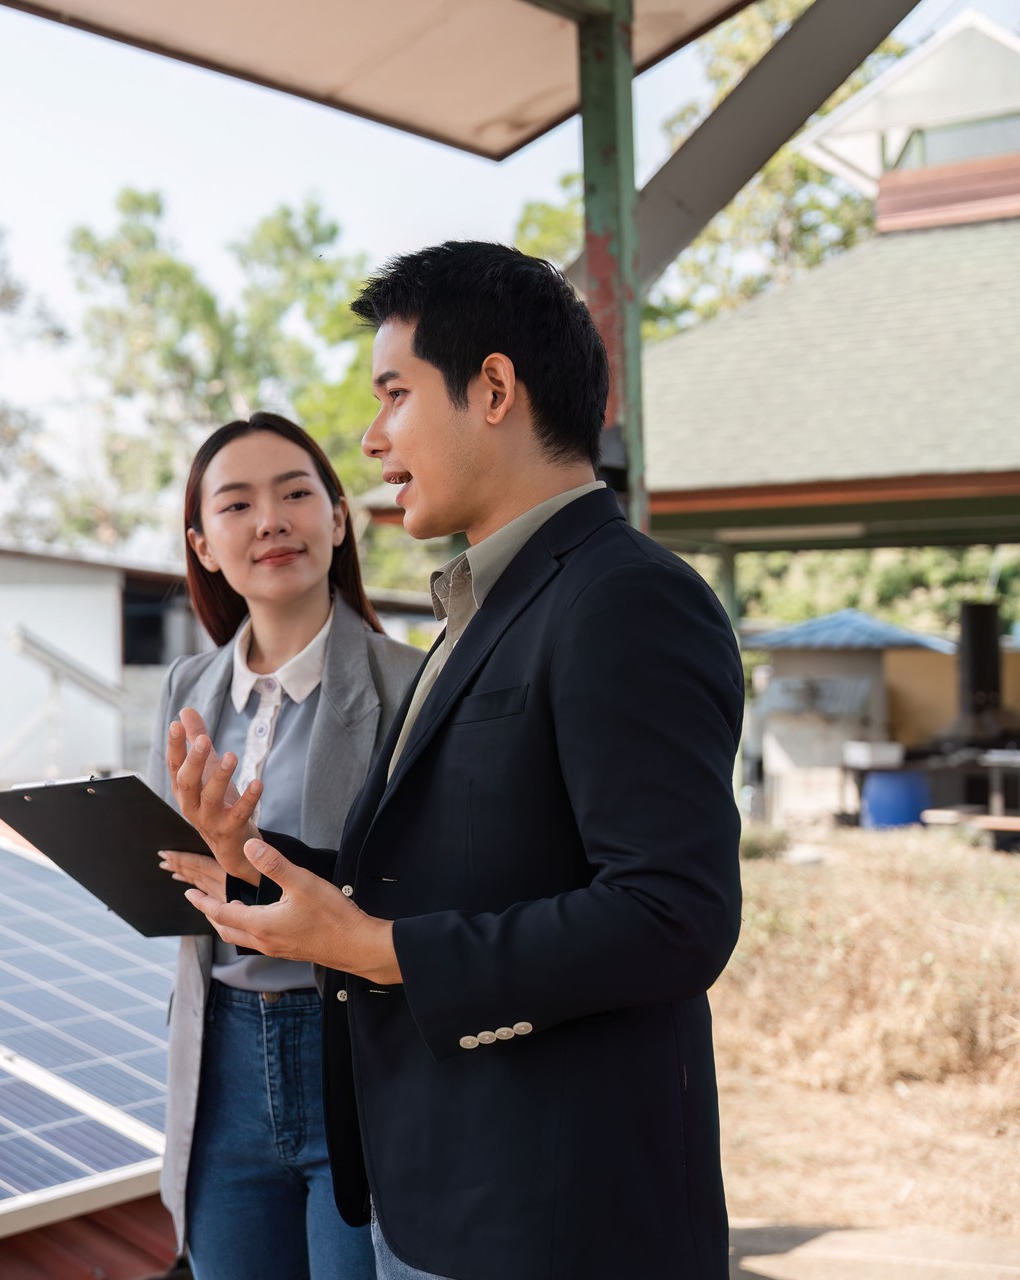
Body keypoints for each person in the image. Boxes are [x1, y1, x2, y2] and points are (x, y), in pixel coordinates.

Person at [168, 242, 744, 1279]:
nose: (372, 435)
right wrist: (254, 860)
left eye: (394, 393)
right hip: (446, 1198)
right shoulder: (485, 607)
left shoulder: (622, 598)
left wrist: (387, 951)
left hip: (557, 1219)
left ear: (491, 389)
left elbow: (675, 915)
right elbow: (452, 866)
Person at [142, 412, 421, 1280]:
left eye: (296, 493)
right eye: (237, 504)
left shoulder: (411, 684)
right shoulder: (186, 687)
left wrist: (246, 854)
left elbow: (420, 889)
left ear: (339, 520)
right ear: (204, 542)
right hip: (219, 1055)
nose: (271, 521)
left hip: (354, 1051)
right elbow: (175, 874)